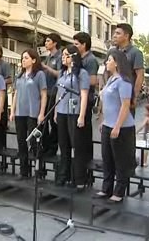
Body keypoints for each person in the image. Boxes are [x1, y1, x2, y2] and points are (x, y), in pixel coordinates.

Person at [94, 49, 136, 203]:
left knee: (120, 160)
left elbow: (125, 106)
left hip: (122, 127)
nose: (106, 63)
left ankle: (119, 192)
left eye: (109, 60)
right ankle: (106, 188)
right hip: (108, 125)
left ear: (117, 63)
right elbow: (107, 103)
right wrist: (104, 121)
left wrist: (117, 126)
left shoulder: (124, 81)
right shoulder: (111, 80)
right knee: (107, 159)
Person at [54, 45, 90, 189]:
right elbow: (58, 93)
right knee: (63, 145)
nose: (63, 57)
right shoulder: (62, 74)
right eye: (62, 55)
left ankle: (80, 178)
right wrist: (56, 111)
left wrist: (82, 115)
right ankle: (64, 175)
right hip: (62, 111)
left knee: (77, 146)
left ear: (73, 57)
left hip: (74, 112)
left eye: (66, 55)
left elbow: (84, 95)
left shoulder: (81, 73)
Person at [9, 49, 47, 179]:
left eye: (26, 58)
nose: (23, 60)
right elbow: (16, 94)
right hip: (20, 112)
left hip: (33, 112)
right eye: (22, 58)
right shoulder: (20, 76)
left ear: (34, 60)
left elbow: (43, 94)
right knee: (21, 142)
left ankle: (39, 170)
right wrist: (12, 111)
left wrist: (41, 113)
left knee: (34, 142)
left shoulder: (39, 75)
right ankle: (23, 170)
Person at [73, 32, 98, 171]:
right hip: (77, 98)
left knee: (85, 131)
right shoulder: (78, 58)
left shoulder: (90, 60)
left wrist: (80, 79)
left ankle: (86, 161)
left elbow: (93, 80)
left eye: (77, 44)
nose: (74, 46)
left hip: (86, 98)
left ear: (84, 45)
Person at [111, 23, 144, 114]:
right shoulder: (112, 52)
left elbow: (140, 76)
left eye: (118, 33)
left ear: (126, 36)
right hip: (112, 95)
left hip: (126, 97)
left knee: (126, 126)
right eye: (115, 33)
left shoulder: (136, 53)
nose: (114, 36)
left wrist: (134, 97)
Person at [41, 33, 62, 156]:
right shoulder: (47, 57)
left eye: (48, 41)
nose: (46, 43)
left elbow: (60, 74)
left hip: (55, 92)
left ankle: (53, 147)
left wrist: (47, 68)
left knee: (53, 122)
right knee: (43, 120)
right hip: (46, 91)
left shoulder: (59, 57)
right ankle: (45, 145)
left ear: (55, 43)